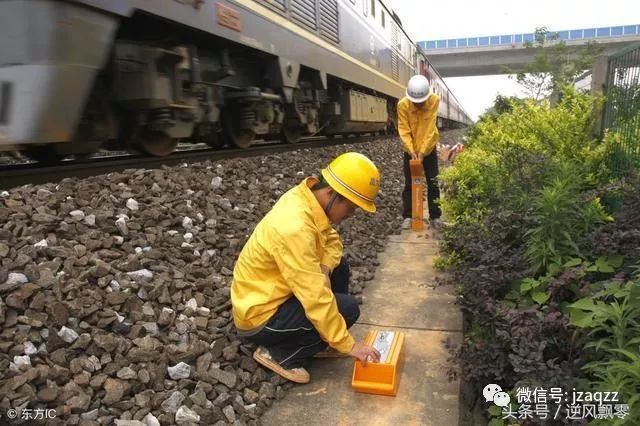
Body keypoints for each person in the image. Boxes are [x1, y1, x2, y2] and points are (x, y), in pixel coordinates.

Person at [231, 152, 382, 384]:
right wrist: (347, 343)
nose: (351, 215)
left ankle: (319, 337)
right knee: (349, 310)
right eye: (351, 208)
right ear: (334, 194)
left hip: (273, 294)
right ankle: (280, 354)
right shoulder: (295, 227)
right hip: (261, 317)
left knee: (338, 266)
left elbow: (332, 240)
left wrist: (324, 268)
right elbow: (315, 297)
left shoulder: (307, 200)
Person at [397, 74, 442, 230]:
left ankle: (435, 216)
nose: (418, 104)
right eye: (415, 102)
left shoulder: (434, 100)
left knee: (433, 182)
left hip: (428, 149)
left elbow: (430, 128)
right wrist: (411, 151)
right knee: (410, 183)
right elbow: (404, 130)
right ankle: (408, 216)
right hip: (410, 151)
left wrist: (422, 152)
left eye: (421, 101)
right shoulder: (402, 105)